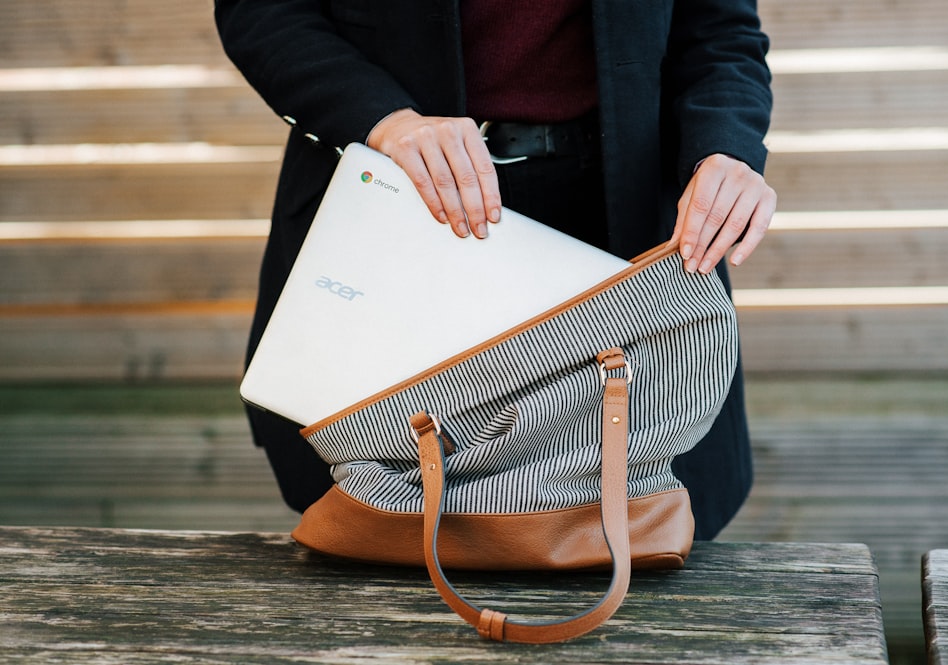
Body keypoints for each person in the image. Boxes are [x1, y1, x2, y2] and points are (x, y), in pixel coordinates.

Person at [215, 0, 776, 540]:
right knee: (374, 525)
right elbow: (264, 10)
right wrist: (383, 118)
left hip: (618, 223)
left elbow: (719, 32)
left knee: (647, 517)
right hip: (403, 196)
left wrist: (727, 147)